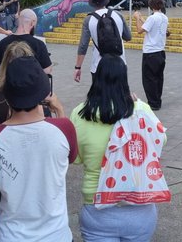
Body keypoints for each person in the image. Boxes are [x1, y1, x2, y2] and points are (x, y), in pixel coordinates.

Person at [0, 55, 77, 242]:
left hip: (11, 236)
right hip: (57, 235)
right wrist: (60, 111)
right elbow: (69, 158)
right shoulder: (64, 128)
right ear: (44, 92)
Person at [70, 55, 165, 241]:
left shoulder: (79, 113)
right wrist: (138, 108)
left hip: (96, 210)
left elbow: (76, 158)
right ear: (124, 79)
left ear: (96, 79)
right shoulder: (140, 109)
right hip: (139, 208)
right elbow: (160, 141)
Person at [74, 0, 131, 83]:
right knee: (119, 95)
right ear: (105, 0)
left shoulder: (88, 19)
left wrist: (78, 67)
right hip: (120, 64)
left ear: (92, 3)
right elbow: (128, 37)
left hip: (98, 66)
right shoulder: (118, 15)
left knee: (100, 96)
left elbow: (83, 45)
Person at [133, 0, 168, 111]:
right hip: (160, 51)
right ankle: (157, 100)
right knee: (158, 77)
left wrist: (137, 18)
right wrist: (143, 18)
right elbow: (149, 26)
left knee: (149, 79)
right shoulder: (163, 17)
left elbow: (139, 30)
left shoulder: (153, 18)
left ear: (151, 5)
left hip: (150, 52)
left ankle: (153, 102)